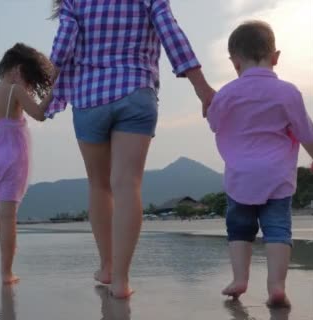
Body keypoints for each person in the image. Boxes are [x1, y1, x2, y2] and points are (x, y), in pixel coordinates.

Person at [47, 0, 215, 298]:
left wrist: (47, 95)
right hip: (136, 90)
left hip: (88, 98)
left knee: (99, 186)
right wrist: (201, 88)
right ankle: (122, 280)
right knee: (127, 185)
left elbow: (61, 50)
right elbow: (171, 32)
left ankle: (107, 267)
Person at [207, 20, 313, 308]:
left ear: (235, 62)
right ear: (275, 56)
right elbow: (306, 131)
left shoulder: (227, 93)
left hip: (240, 178)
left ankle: (240, 279)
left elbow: (215, 123)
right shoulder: (288, 92)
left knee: (239, 230)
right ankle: (276, 286)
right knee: (278, 230)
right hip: (277, 177)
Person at [0, 43, 54, 284]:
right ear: (17, 70)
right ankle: (6, 271)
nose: (27, 84)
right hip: (11, 158)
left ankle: (6, 256)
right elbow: (38, 113)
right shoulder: (15, 90)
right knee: (9, 217)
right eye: (27, 77)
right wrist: (53, 92)